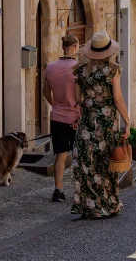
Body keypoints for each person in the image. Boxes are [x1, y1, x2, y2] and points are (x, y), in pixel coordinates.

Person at [71, 31, 131, 219]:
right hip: (106, 125)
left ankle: (89, 206)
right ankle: (109, 204)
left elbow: (77, 98)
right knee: (106, 164)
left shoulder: (80, 70)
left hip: (88, 123)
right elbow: (118, 98)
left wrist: (90, 104)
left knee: (87, 164)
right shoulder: (113, 70)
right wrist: (127, 121)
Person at [43, 34, 80, 202]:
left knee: (60, 155)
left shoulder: (50, 67)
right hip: (75, 117)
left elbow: (45, 91)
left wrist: (55, 104)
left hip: (57, 116)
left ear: (63, 47)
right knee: (79, 156)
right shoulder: (77, 68)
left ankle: (58, 190)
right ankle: (80, 190)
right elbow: (81, 96)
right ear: (75, 47)